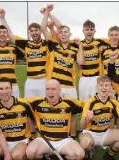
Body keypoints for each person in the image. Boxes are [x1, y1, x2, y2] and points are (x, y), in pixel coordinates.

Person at [25, 79, 85, 160]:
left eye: (53, 89)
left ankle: (64, 158)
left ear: (59, 91)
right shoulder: (36, 102)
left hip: (64, 140)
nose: (50, 92)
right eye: (47, 89)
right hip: (43, 140)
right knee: (30, 153)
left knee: (80, 155)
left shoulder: (69, 102)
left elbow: (87, 104)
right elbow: (18, 102)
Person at [40, 5, 81, 138]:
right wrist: (47, 13)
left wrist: (80, 46)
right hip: (56, 87)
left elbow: (81, 62)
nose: (63, 34)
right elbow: (43, 28)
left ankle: (72, 136)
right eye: (61, 32)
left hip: (70, 86)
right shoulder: (53, 45)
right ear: (58, 34)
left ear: (70, 35)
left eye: (66, 32)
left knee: (72, 112)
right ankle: (58, 134)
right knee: (56, 112)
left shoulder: (74, 49)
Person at [79, 76, 119, 160]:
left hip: (105, 133)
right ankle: (86, 156)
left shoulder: (114, 103)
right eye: (101, 85)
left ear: (111, 88)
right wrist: (87, 119)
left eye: (107, 85)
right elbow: (82, 125)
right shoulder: (90, 102)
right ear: (96, 87)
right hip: (90, 133)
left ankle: (109, 155)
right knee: (85, 144)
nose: (104, 88)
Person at [0, 7, 50, 98]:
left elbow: (44, 26)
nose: (34, 33)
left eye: (36, 30)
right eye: (31, 31)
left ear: (40, 31)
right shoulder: (26, 44)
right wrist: (2, 18)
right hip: (30, 81)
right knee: (29, 106)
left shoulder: (47, 43)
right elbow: (9, 34)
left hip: (44, 80)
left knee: (43, 105)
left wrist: (46, 13)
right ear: (29, 33)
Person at [0, 11, 24, 101]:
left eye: (4, 32)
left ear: (7, 35)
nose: (2, 34)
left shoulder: (14, 48)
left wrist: (2, 18)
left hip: (13, 85)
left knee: (15, 108)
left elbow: (28, 52)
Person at [76, 19, 110, 101]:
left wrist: (104, 48)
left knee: (97, 101)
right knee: (84, 103)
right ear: (83, 31)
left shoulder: (100, 42)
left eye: (91, 30)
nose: (89, 32)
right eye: (87, 30)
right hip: (83, 78)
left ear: (95, 31)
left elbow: (115, 41)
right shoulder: (78, 43)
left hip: (96, 77)